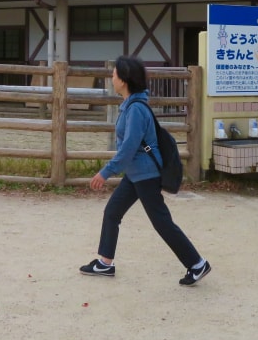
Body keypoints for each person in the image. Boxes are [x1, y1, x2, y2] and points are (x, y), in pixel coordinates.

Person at [79, 56, 211, 286]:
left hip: (146, 175)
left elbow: (129, 148)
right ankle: (105, 263)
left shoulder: (137, 109)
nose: (112, 77)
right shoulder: (131, 105)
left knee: (161, 222)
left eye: (114, 73)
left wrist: (105, 172)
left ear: (124, 79)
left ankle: (197, 263)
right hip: (135, 174)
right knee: (112, 212)